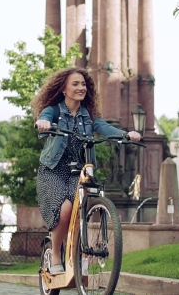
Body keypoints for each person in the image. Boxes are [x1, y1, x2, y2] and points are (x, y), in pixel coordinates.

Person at [32, 67, 141, 275]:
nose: (80, 87)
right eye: (75, 84)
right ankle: (56, 253)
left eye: (83, 84)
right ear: (64, 88)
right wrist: (44, 123)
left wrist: (125, 135)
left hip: (78, 170)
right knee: (64, 210)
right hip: (53, 170)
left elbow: (104, 128)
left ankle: (77, 253)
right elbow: (43, 115)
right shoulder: (54, 111)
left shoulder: (88, 116)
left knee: (81, 206)